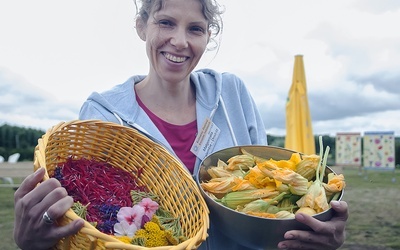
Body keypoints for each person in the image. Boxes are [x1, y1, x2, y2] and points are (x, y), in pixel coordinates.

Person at [13, 0, 348, 249]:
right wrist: (30, 240)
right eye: (166, 22)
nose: (180, 41)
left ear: (208, 36)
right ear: (141, 25)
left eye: (195, 29)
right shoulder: (103, 113)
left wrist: (313, 230)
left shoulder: (232, 94)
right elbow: (90, 224)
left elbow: (267, 199)